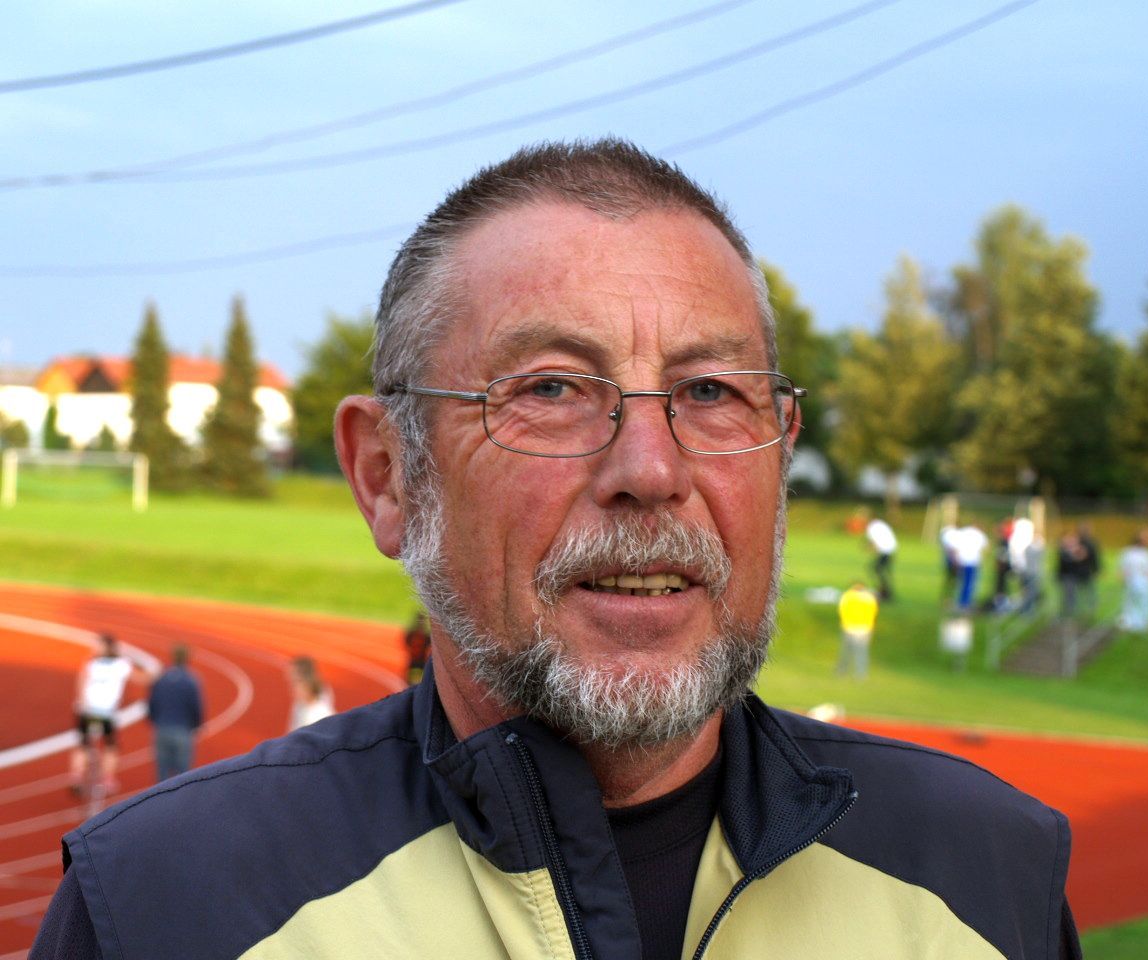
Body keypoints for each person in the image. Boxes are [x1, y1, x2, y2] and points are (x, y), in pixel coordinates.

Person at [34, 140, 1079, 960]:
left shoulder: (992, 876)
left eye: (709, 391)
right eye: (549, 388)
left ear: (782, 452)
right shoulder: (162, 907)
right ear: (388, 475)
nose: (651, 468)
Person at [68, 633, 133, 797]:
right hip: (106, 712)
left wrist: (83, 703)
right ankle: (107, 780)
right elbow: (139, 676)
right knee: (110, 746)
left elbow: (81, 682)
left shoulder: (92, 664)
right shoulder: (121, 664)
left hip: (88, 710)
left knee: (84, 744)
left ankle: (76, 777)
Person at [146, 644, 203, 782]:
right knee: (183, 778)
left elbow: (152, 703)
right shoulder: (191, 680)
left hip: (162, 729)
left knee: (162, 776)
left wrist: (155, 720)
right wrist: (197, 726)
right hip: (182, 730)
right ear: (187, 658)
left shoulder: (161, 678)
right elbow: (195, 706)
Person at [1116, 527, 1148, 633]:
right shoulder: (1128, 552)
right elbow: (1121, 570)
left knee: (1144, 604)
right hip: (1131, 584)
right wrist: (1125, 578)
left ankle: (1143, 623)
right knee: (1130, 605)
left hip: (1145, 585)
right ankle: (1129, 622)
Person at [835, 580, 878, 679]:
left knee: (846, 651)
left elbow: (842, 610)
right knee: (862, 651)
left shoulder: (847, 596)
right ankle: (860, 673)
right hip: (865, 627)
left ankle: (842, 671)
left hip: (849, 627)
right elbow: (874, 612)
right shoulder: (869, 597)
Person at [287, 655, 334, 731]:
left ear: (306, 682)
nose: (291, 687)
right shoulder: (302, 702)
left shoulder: (313, 719)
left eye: (295, 681)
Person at [950, 519, 989, 611]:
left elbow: (954, 547)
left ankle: (960, 602)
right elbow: (986, 547)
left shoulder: (962, 532)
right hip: (973, 561)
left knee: (961, 582)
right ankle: (966, 603)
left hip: (962, 561)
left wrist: (955, 559)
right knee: (970, 583)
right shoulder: (980, 535)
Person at [864, 515, 897, 601]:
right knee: (881, 570)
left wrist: (869, 548)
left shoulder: (871, 527)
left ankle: (885, 592)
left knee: (877, 569)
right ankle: (885, 591)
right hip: (891, 549)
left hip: (885, 550)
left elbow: (873, 542)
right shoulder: (880, 524)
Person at [403, 609, 432, 684]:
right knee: (409, 679)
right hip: (414, 659)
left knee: (422, 679)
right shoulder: (413, 633)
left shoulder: (425, 635)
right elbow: (407, 641)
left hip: (421, 660)